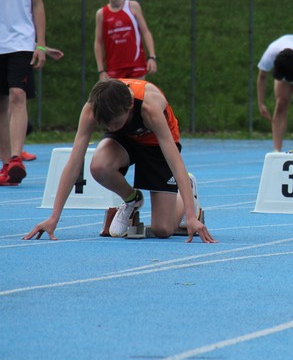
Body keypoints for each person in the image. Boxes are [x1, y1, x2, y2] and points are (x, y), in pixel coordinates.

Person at [23, 78, 216, 243]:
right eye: (105, 124)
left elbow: (175, 162)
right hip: (126, 139)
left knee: (163, 230)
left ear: (130, 105)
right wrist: (53, 218)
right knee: (99, 166)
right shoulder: (93, 109)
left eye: (114, 122)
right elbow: (74, 163)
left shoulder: (150, 107)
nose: (110, 127)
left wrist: (191, 216)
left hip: (156, 144)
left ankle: (186, 190)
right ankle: (132, 199)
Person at [0, 0, 50, 186]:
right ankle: (7, 164)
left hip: (19, 42)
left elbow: (37, 3)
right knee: (0, 105)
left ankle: (16, 157)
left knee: (18, 95)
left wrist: (40, 44)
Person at [94, 0, 157, 80]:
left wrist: (152, 57)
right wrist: (101, 70)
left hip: (136, 64)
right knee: (117, 96)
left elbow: (145, 32)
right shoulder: (101, 13)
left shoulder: (133, 6)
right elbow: (99, 42)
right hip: (114, 67)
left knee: (137, 96)